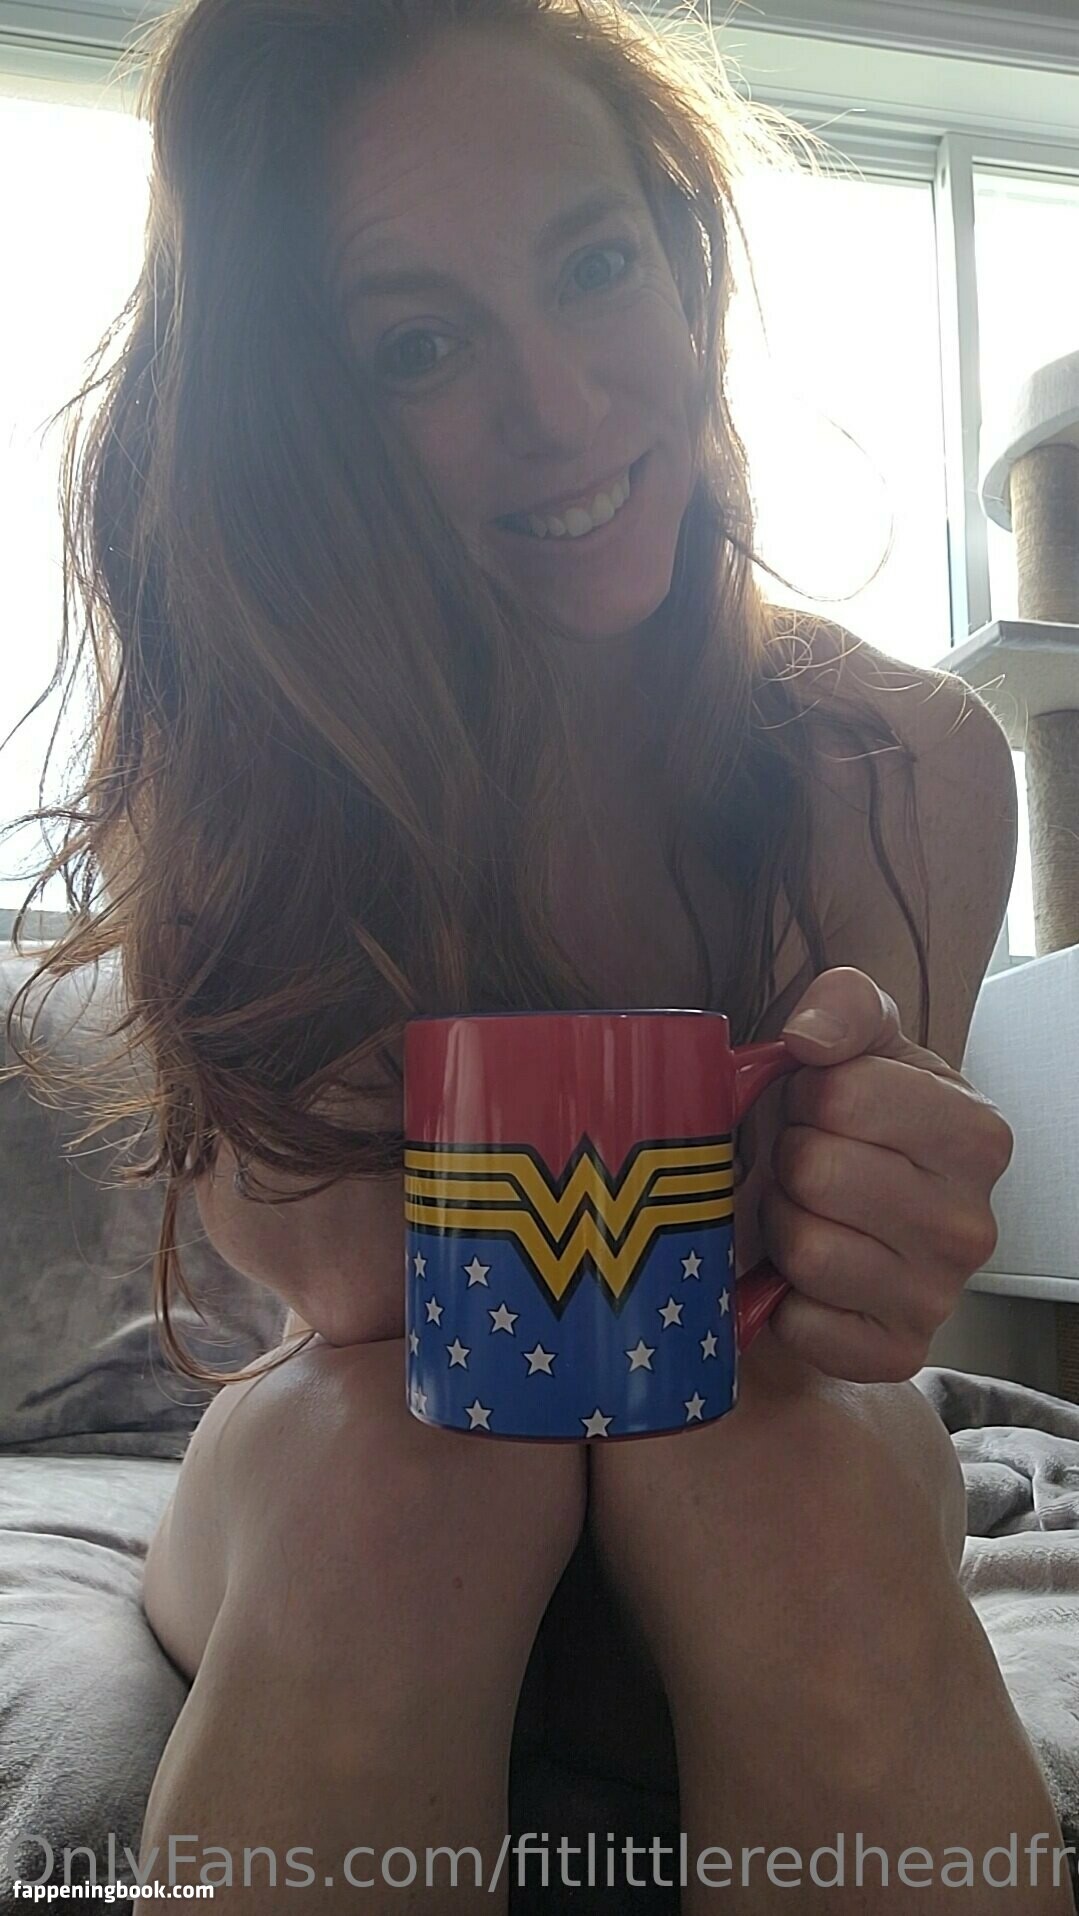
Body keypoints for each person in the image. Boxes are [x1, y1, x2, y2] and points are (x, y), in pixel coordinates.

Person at [2, 0, 1072, 1910]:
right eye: (418, 347)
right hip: (357, 1449)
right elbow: (355, 1294)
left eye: (593, 266)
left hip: (764, 1448)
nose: (564, 409)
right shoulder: (248, 763)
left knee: (794, 1470)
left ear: (683, 257)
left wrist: (879, 1218)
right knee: (409, 1467)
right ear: (304, 421)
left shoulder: (902, 763)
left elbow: (819, 1337)